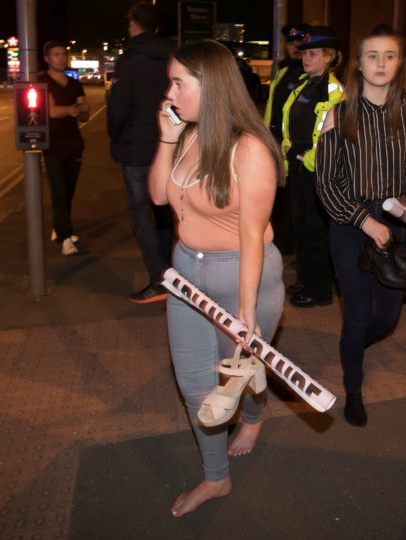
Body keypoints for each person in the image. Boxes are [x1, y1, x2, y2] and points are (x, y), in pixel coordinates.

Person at [148, 40, 285, 517]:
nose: (169, 93)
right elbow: (159, 197)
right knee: (195, 387)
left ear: (211, 87)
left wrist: (246, 311)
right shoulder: (187, 135)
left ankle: (255, 415)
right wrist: (167, 138)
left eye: (178, 83)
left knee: (237, 376)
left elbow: (252, 235)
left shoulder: (250, 150)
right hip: (186, 273)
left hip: (242, 275)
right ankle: (216, 478)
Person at [316, 25, 406, 427]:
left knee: (388, 317)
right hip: (350, 222)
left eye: (389, 55)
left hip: (398, 221)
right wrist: (364, 221)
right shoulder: (339, 114)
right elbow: (326, 183)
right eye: (372, 55)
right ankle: (353, 388)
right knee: (356, 315)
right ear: (359, 63)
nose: (381, 63)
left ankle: (352, 347)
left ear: (400, 62)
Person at [107, 2, 174, 303]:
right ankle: (171, 272)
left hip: (135, 149)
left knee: (140, 215)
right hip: (166, 145)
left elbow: (117, 107)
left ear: (133, 26)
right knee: (164, 211)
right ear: (156, 27)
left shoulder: (129, 60)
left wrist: (116, 137)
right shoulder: (172, 57)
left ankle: (159, 280)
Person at [280, 26, 344, 307]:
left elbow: (335, 139)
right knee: (301, 228)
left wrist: (307, 158)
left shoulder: (334, 91)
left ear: (329, 57)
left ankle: (319, 291)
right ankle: (305, 280)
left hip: (317, 171)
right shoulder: (304, 84)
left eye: (313, 54)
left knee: (316, 231)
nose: (306, 58)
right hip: (298, 167)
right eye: (305, 53)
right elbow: (290, 122)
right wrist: (288, 149)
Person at [39, 41, 90, 256]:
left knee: (68, 191)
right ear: (47, 59)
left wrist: (82, 109)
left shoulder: (74, 83)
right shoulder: (43, 82)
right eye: (56, 54)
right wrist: (73, 108)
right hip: (53, 144)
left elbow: (84, 112)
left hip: (74, 143)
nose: (61, 58)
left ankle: (59, 228)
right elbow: (51, 111)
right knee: (58, 191)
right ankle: (65, 238)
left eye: (63, 54)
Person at [263, 23, 309, 256]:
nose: (295, 46)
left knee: (298, 203)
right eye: (291, 42)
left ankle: (297, 249)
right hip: (275, 146)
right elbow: (272, 110)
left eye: (300, 41)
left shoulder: (312, 75)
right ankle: (282, 247)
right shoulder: (282, 72)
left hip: (297, 150)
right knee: (279, 199)